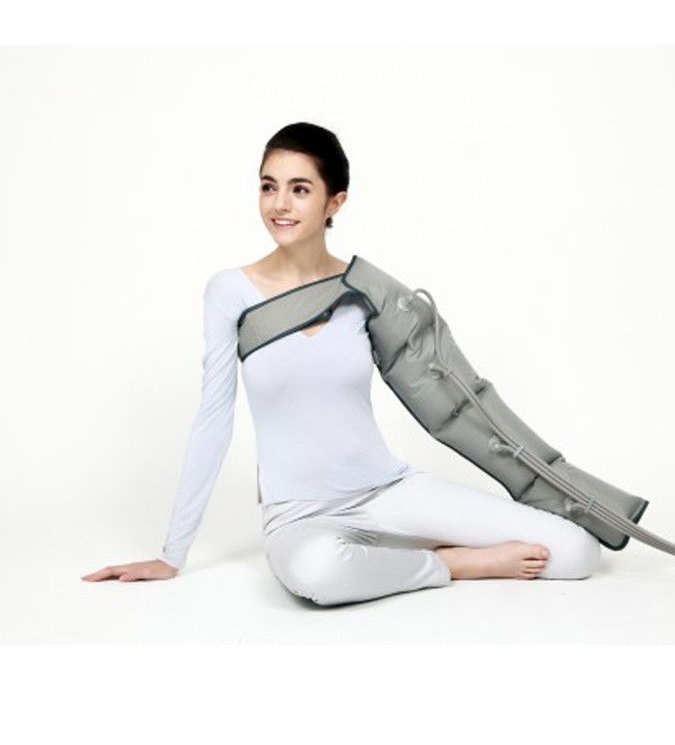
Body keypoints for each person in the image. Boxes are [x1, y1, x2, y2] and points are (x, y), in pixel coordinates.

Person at [81, 121, 601, 605]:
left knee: (576, 553)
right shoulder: (230, 291)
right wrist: (172, 554)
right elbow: (213, 421)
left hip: (391, 492)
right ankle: (451, 564)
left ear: (335, 201)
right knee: (319, 574)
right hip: (299, 515)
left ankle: (399, 556)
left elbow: (443, 389)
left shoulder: (363, 291)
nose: (279, 204)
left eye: (300, 189)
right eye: (268, 186)